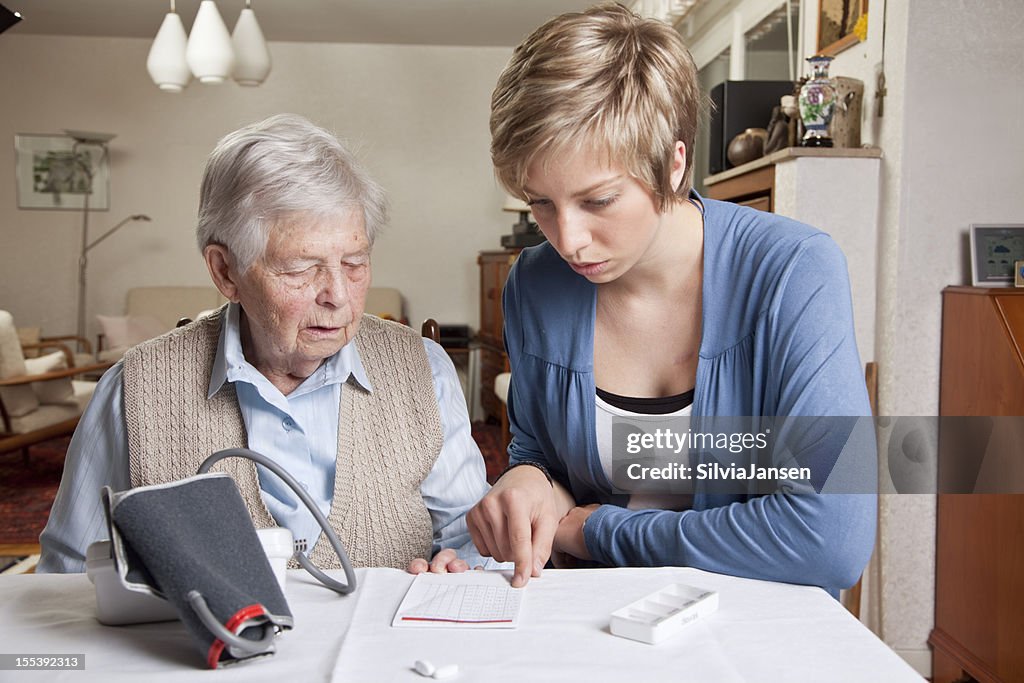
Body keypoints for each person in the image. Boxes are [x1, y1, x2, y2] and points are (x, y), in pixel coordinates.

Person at [467, 3, 876, 594]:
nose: (568, 239)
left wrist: (600, 532)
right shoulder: (534, 281)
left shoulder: (795, 269)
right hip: (591, 616)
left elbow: (832, 537)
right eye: (541, 204)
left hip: (755, 627)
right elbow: (540, 453)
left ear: (673, 165)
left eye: (599, 200)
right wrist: (529, 479)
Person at [39, 114, 492, 575]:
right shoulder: (133, 392)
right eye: (299, 268)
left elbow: (471, 534)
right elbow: (66, 578)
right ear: (225, 272)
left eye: (355, 262)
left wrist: (458, 568)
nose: (337, 295)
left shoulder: (423, 371)